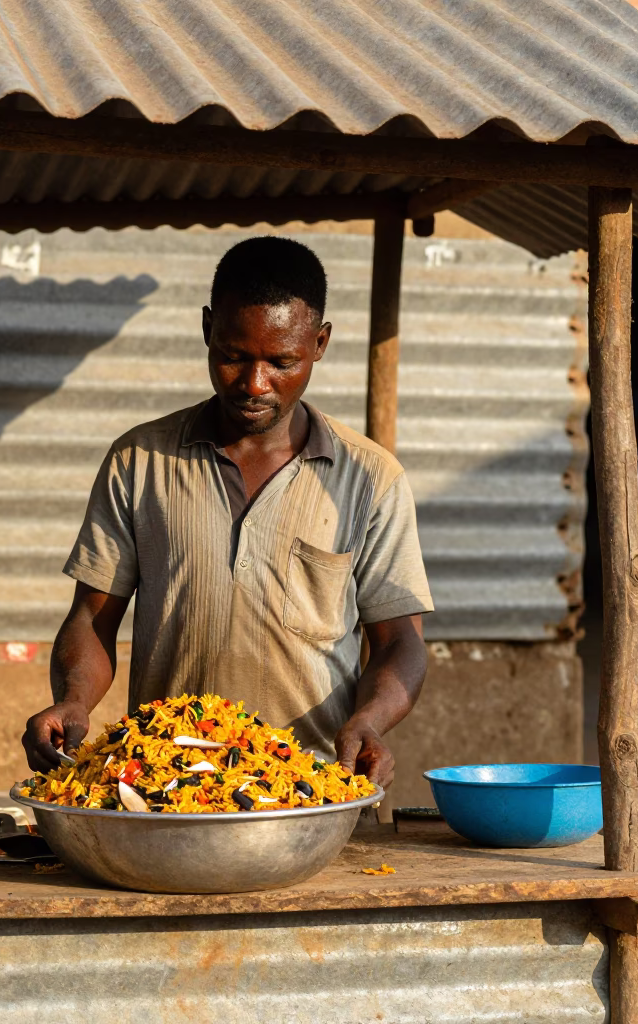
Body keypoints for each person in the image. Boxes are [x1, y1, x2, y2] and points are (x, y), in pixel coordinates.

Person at [23, 236, 433, 788]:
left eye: (281, 361)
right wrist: (74, 699)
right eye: (233, 357)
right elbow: (92, 617)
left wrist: (371, 721)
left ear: (320, 344)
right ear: (207, 330)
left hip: (309, 790)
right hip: (164, 788)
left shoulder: (371, 479)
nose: (253, 384)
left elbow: (399, 642)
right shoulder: (140, 460)